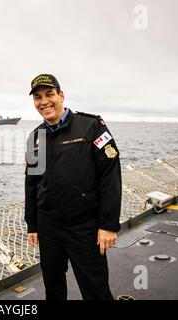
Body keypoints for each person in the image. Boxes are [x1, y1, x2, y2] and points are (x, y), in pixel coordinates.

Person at [24, 74, 122, 300]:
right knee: (53, 287)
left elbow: (110, 176)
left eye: (49, 94)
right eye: (38, 97)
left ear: (61, 95)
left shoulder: (91, 126)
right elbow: (31, 183)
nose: (44, 101)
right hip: (49, 228)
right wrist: (33, 224)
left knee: (96, 290)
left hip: (84, 227)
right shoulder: (35, 138)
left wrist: (108, 224)